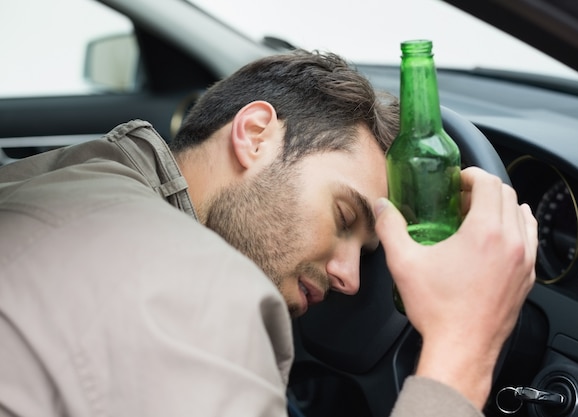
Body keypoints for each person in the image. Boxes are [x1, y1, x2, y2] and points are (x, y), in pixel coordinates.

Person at [0, 50, 537, 417]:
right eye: (345, 217)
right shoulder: (197, 288)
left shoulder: (64, 176)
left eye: (367, 254)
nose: (351, 279)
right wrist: (462, 344)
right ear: (255, 135)